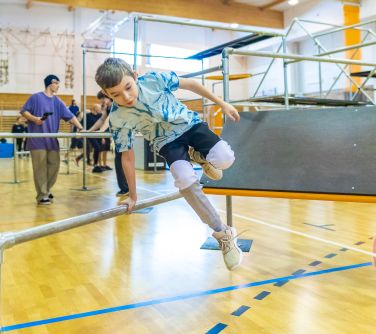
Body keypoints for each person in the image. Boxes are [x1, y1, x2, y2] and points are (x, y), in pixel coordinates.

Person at [95, 58, 242, 270]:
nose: (125, 97)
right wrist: (132, 196)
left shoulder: (154, 80)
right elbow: (126, 156)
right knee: (185, 181)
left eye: (128, 87)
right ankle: (222, 232)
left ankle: (200, 156)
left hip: (189, 125)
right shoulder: (118, 118)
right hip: (166, 142)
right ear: (107, 95)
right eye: (115, 95)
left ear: (135, 76)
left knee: (226, 160)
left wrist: (222, 103)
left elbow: (191, 84)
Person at [21, 74, 83, 205]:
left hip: (52, 140)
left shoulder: (58, 102)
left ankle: (46, 189)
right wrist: (35, 119)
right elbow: (24, 111)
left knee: (54, 166)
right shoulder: (35, 97)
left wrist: (81, 128)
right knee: (40, 168)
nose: (58, 85)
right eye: (56, 83)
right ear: (50, 83)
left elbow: (71, 116)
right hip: (37, 140)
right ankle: (42, 195)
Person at [88, 91, 129, 197]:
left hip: (124, 135)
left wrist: (101, 131)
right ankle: (125, 188)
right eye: (101, 100)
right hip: (117, 136)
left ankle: (126, 188)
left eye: (103, 99)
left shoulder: (116, 104)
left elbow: (108, 120)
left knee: (121, 162)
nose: (102, 102)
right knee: (119, 162)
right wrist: (89, 130)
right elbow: (102, 120)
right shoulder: (107, 108)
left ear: (108, 97)